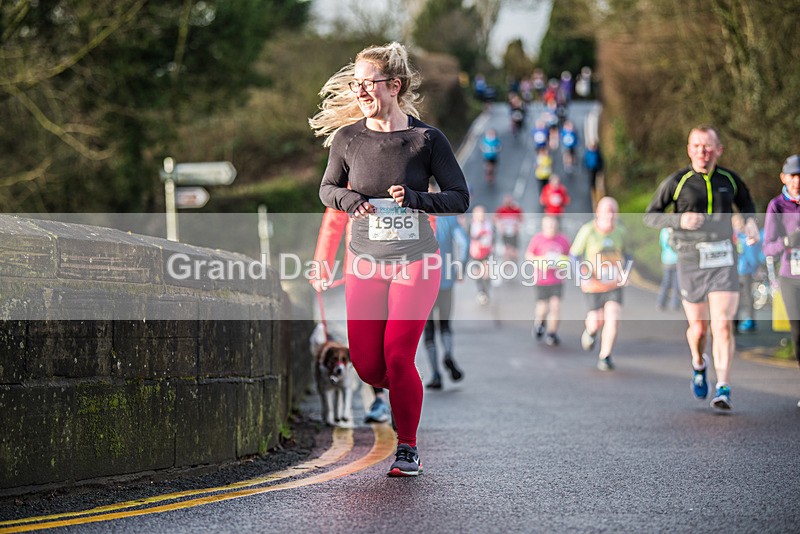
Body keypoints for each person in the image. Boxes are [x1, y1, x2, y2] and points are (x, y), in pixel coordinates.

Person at [311, 42, 470, 476]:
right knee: (367, 365)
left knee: (399, 357)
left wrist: (417, 199)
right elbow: (327, 190)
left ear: (394, 86)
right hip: (365, 261)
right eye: (356, 83)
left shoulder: (426, 140)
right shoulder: (347, 139)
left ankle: (408, 447)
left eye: (369, 83)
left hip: (416, 261)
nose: (360, 90)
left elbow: (460, 198)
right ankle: (402, 390)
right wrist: (348, 198)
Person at [644, 125, 758, 411]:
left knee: (722, 325)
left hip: (723, 259)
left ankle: (724, 387)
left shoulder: (730, 180)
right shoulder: (677, 182)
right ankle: (698, 362)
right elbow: (651, 216)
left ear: (718, 150)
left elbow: (746, 205)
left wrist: (750, 222)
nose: (702, 152)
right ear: (688, 149)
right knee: (698, 330)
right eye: (696, 146)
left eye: (707, 147)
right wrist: (679, 222)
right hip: (691, 261)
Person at [310, 208, 392, 424]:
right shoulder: (351, 176)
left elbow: (424, 216)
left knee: (396, 339)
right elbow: (334, 220)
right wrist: (321, 268)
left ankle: (399, 396)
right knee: (372, 343)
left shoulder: (409, 174)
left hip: (403, 267)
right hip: (361, 271)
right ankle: (380, 399)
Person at [571, 197, 630, 371]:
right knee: (596, 321)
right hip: (594, 284)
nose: (609, 215)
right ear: (598, 213)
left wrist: (626, 271)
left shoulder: (620, 231)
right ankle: (591, 332)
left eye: (613, 211)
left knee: (613, 316)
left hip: (613, 283)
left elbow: (628, 255)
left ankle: (605, 356)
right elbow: (574, 255)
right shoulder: (588, 231)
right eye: (606, 211)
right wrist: (582, 276)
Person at [762, 154, 800, 405]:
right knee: (798, 333)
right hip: (791, 276)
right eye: (793, 176)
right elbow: (768, 247)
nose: (797, 181)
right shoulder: (777, 206)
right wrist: (788, 241)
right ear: (783, 178)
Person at [424, 214, 469, 389]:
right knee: (445, 323)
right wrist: (461, 267)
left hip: (422, 281)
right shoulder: (448, 217)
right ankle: (448, 354)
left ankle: (436, 374)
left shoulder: (414, 214)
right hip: (445, 279)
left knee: (428, 330)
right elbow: (464, 243)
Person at [525, 215, 571, 346]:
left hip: (557, 279)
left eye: (554, 225)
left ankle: (552, 333)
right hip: (542, 279)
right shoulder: (537, 239)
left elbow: (570, 256)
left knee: (555, 306)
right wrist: (540, 261)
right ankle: (539, 323)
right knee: (543, 306)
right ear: (543, 227)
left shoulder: (563, 239)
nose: (552, 228)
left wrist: (562, 262)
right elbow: (528, 255)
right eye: (549, 225)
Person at [732, 213, 765, 333]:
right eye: (735, 224)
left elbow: (753, 254)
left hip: (745, 271)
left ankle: (750, 320)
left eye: (739, 223)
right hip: (734, 271)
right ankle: (734, 322)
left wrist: (756, 267)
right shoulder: (734, 237)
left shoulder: (747, 237)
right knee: (734, 298)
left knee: (747, 295)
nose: (738, 226)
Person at [469, 205, 494, 305]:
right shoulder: (471, 225)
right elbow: (468, 238)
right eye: (478, 214)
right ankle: (481, 292)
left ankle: (486, 291)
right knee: (477, 272)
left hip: (487, 252)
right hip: (475, 253)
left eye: (482, 214)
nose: (480, 216)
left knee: (486, 273)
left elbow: (494, 236)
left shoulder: (489, 224)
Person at [656, 227, 681, 311]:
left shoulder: (663, 231)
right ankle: (674, 303)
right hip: (676, 260)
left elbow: (661, 243)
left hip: (666, 260)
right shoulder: (677, 230)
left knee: (666, 282)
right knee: (676, 283)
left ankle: (661, 302)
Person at [494, 194, 524, 262]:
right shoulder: (500, 210)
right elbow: (495, 220)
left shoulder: (516, 210)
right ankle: (506, 264)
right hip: (505, 234)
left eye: (509, 202)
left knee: (515, 251)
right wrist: (500, 227)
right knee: (506, 250)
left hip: (514, 234)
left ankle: (515, 263)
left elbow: (522, 220)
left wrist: (517, 227)